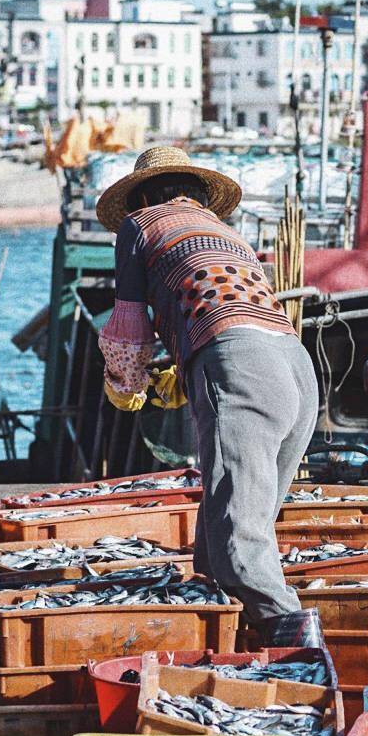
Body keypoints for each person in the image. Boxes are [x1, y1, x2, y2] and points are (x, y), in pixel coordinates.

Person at [95, 145, 322, 647]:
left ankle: (291, 631)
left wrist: (126, 383)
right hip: (294, 365)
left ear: (141, 196)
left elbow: (129, 327)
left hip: (239, 362)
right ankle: (222, 630)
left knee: (239, 538)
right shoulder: (228, 234)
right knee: (239, 518)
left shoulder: (139, 225)